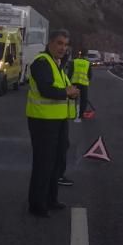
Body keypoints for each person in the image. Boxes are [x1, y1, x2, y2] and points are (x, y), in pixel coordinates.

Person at [26, 29, 78, 217]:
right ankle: (37, 205)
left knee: (57, 162)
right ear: (49, 43)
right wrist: (68, 92)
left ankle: (51, 199)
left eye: (65, 44)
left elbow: (61, 88)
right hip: (43, 122)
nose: (63, 48)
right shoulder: (42, 63)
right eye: (59, 43)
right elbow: (46, 90)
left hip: (58, 121)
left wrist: (70, 91)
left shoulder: (58, 64)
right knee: (43, 163)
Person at [67, 50, 92, 122]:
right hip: (84, 84)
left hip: (74, 83)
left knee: (73, 99)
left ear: (79, 55)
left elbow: (69, 73)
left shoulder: (73, 62)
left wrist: (68, 83)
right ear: (86, 55)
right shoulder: (88, 63)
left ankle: (72, 113)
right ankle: (81, 114)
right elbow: (90, 75)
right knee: (83, 99)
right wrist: (87, 80)